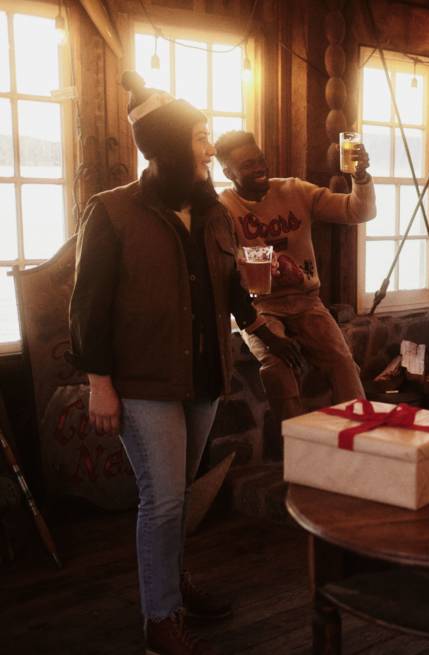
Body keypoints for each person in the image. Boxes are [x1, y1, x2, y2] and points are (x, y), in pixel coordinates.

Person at [68, 72, 295, 654]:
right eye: (198, 137)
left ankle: (169, 582)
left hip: (203, 378)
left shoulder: (212, 211)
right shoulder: (111, 211)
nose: (209, 148)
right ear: (169, 146)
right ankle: (160, 619)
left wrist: (262, 328)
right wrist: (99, 383)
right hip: (143, 383)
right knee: (165, 499)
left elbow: (231, 285)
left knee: (180, 496)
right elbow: (88, 305)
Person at [214, 130, 376, 423]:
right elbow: (223, 266)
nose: (260, 167)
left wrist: (361, 177)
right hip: (259, 306)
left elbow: (358, 211)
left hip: (307, 300)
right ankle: (295, 442)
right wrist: (247, 265)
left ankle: (359, 433)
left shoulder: (295, 191)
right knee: (277, 368)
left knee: (342, 361)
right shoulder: (222, 208)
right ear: (228, 173)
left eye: (260, 159)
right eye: (248, 165)